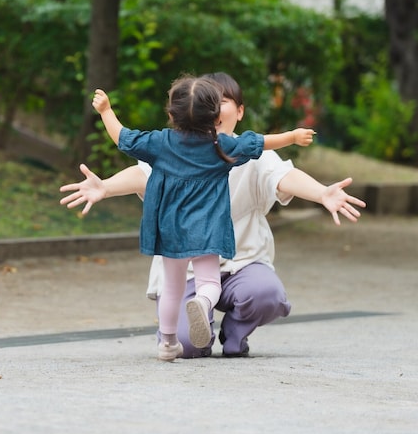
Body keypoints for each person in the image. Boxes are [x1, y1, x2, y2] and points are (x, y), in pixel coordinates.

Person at [63, 72, 365, 359]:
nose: (217, 107)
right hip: (209, 238)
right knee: (194, 328)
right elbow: (141, 175)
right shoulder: (223, 148)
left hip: (223, 257)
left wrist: (322, 192)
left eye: (223, 100)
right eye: (212, 100)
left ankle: (214, 338)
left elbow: (284, 176)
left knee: (244, 292)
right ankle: (197, 320)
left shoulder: (168, 145)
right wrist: (105, 187)